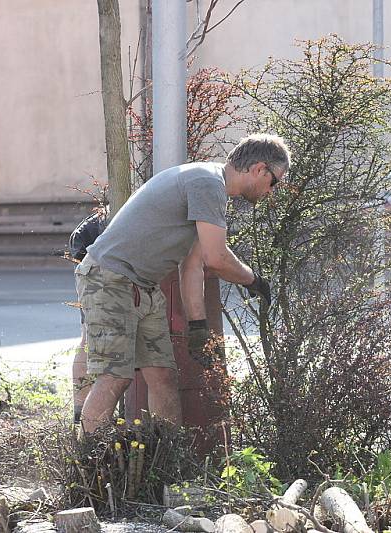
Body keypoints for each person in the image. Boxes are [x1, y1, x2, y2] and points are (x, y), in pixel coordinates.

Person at [76, 134, 290, 434]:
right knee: (115, 377)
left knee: (163, 375)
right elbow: (217, 257)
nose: (272, 191)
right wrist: (253, 280)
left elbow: (193, 266)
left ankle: (167, 462)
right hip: (110, 278)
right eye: (274, 181)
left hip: (142, 286)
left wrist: (199, 326)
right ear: (258, 169)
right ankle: (87, 467)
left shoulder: (211, 188)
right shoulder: (207, 183)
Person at [67, 209, 107, 423]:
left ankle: (82, 411)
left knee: (89, 335)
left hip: (94, 234)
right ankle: (82, 413)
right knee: (90, 334)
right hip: (96, 237)